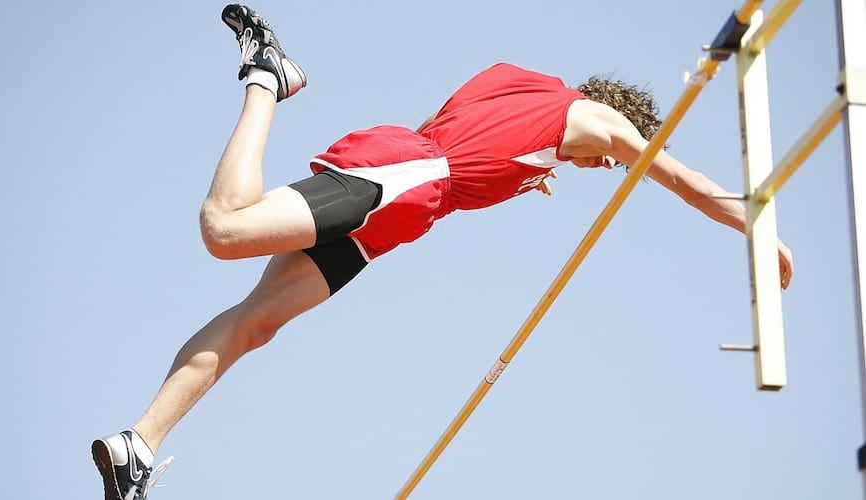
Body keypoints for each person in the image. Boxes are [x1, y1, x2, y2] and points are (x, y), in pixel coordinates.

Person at [91, 4, 795, 499]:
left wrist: (519, 173)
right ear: (616, 117)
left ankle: (138, 449)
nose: (601, 168)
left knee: (257, 323)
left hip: (408, 196)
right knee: (225, 229)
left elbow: (451, 133)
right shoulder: (606, 125)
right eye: (607, 162)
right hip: (411, 182)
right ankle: (268, 76)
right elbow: (681, 180)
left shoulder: (513, 80)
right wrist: (756, 226)